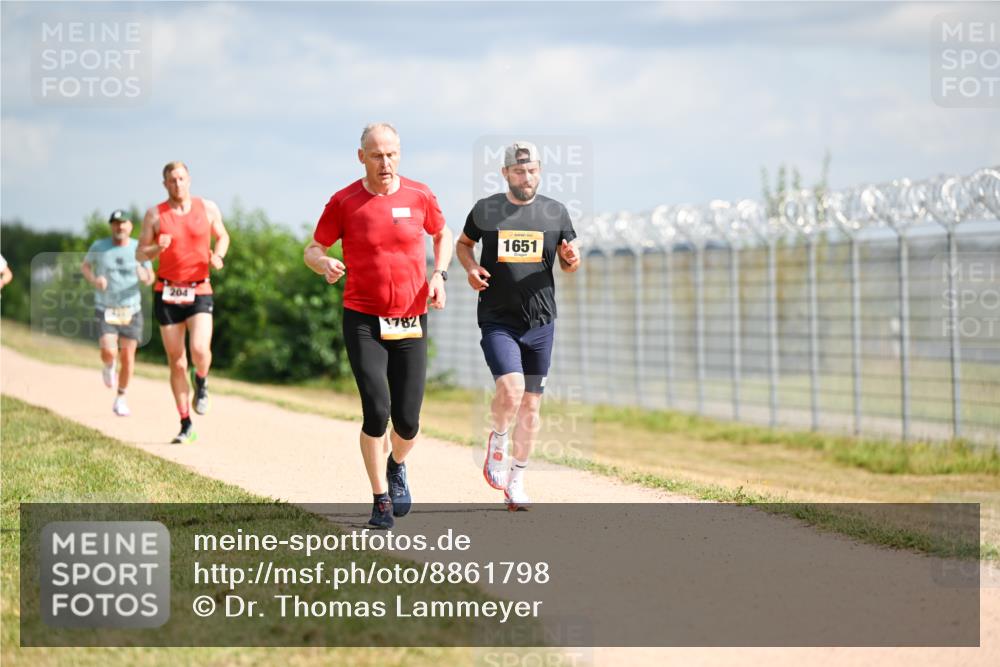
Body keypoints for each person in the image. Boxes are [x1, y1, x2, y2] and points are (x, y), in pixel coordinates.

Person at [304, 123, 452, 529]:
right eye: (375, 155)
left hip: (410, 318)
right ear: (361, 157)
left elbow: (443, 233)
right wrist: (323, 264)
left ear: (399, 154)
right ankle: (380, 499)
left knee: (408, 421)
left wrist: (439, 274)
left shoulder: (420, 194)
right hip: (364, 318)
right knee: (377, 411)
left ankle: (397, 463)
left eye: (390, 154)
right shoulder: (344, 201)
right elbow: (313, 248)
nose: (384, 163)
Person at [455, 141, 581, 510]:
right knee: (510, 392)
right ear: (506, 173)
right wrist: (470, 268)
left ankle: (517, 480)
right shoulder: (486, 210)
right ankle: (497, 439)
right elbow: (464, 245)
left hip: (541, 321)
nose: (527, 178)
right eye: (519, 171)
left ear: (539, 170)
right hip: (498, 319)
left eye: (533, 171)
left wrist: (572, 259)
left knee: (530, 408)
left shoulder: (555, 213)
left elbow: (571, 262)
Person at [137, 161, 229, 444]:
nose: (177, 184)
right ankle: (185, 423)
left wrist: (218, 255)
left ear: (189, 180)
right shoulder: (155, 215)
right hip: (167, 291)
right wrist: (156, 247)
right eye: (172, 180)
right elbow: (141, 253)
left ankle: (201, 380)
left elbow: (222, 235)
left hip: (199, 288)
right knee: (177, 363)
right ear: (165, 184)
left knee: (200, 349)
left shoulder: (208, 208)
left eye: (181, 178)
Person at [81, 209, 154, 415]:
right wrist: (95, 280)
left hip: (131, 310)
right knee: (109, 351)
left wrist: (145, 275)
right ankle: (108, 364)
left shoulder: (139, 249)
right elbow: (85, 266)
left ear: (131, 226)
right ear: (111, 226)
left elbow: (151, 277)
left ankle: (121, 398)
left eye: (123, 223)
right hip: (106, 308)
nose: (119, 227)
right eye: (115, 223)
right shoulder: (99, 246)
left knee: (129, 357)